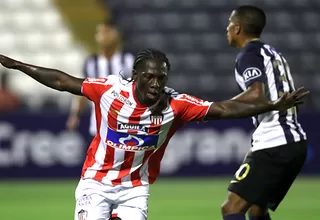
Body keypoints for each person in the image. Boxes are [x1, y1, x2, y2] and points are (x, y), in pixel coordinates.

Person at [0, 48, 309, 220]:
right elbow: (61, 81)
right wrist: (17, 65)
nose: (156, 83)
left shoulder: (176, 104)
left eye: (161, 77)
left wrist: (271, 104)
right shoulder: (109, 90)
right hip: (96, 181)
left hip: (136, 188)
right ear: (136, 76)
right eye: (149, 76)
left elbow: (224, 109)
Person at [222, 5, 309, 220]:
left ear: (238, 28)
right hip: (293, 142)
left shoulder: (249, 55)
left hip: (275, 142)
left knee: (231, 208)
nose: (227, 28)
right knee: (257, 209)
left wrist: (216, 108)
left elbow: (255, 94)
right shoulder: (273, 53)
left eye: (229, 24)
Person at [67, 18, 134, 137]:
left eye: (107, 32)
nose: (103, 36)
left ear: (116, 34)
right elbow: (82, 91)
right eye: (100, 32)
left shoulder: (128, 60)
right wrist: (75, 115)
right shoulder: (92, 63)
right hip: (98, 127)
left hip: (125, 125)